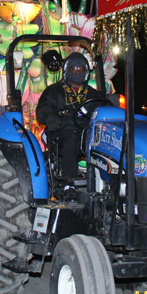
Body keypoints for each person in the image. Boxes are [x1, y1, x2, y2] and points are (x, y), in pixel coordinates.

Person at [36, 52, 102, 195]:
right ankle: (69, 184)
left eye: (80, 70)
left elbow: (103, 111)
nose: (77, 73)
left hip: (86, 134)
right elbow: (44, 108)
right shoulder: (54, 91)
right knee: (71, 138)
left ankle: (113, 185)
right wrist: (49, 117)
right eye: (73, 70)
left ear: (86, 72)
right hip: (61, 132)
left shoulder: (94, 95)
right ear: (66, 70)